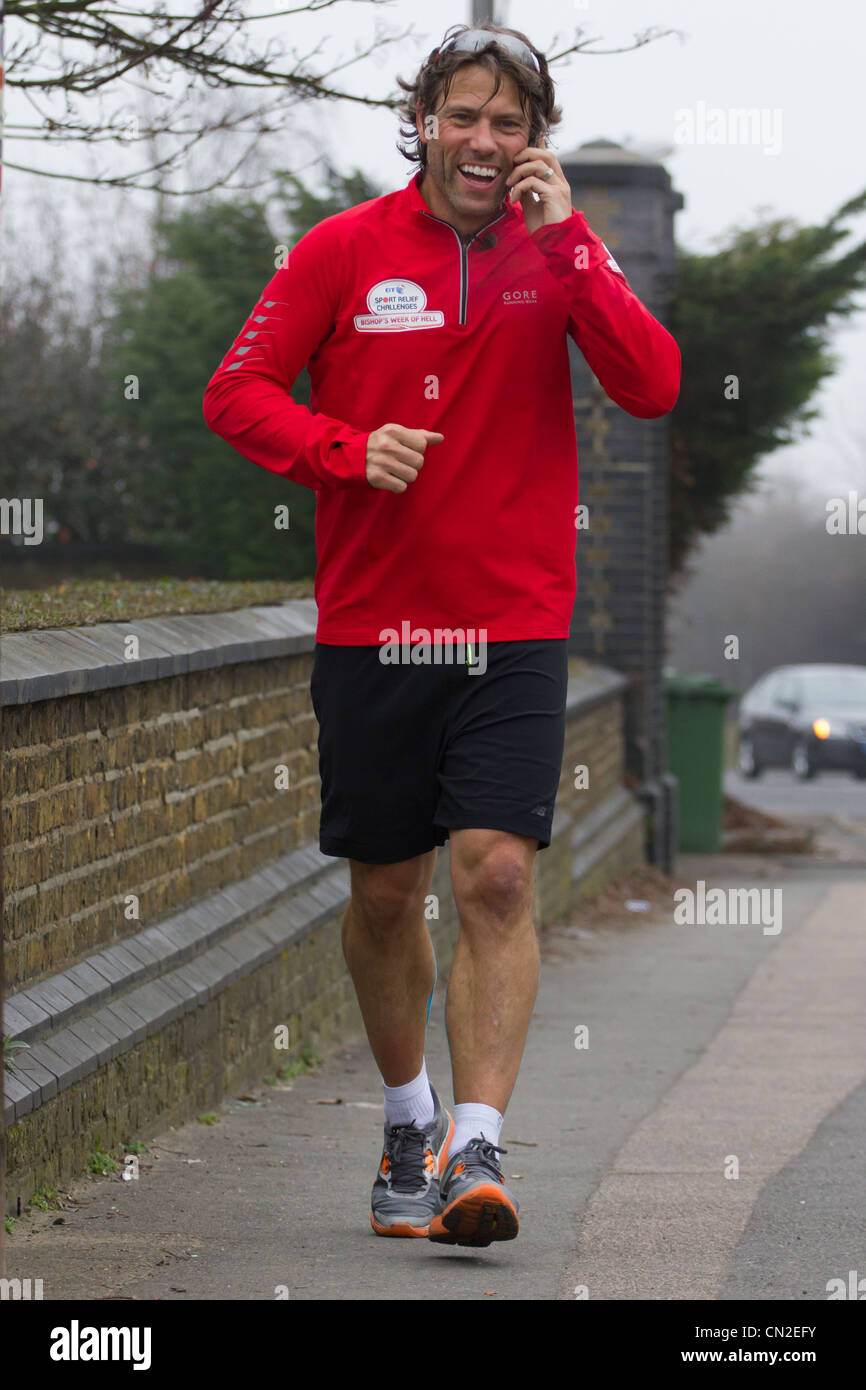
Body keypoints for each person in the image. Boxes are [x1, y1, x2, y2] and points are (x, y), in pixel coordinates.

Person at [203, 21, 681, 1248]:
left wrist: (571, 242)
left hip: (513, 622)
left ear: (535, 140)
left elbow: (652, 383)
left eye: (507, 122)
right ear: (422, 120)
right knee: (382, 894)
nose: (482, 140)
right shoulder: (342, 250)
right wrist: (346, 451)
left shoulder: (558, 255)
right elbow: (236, 390)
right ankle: (407, 1118)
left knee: (499, 874)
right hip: (373, 625)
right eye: (461, 115)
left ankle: (479, 1143)